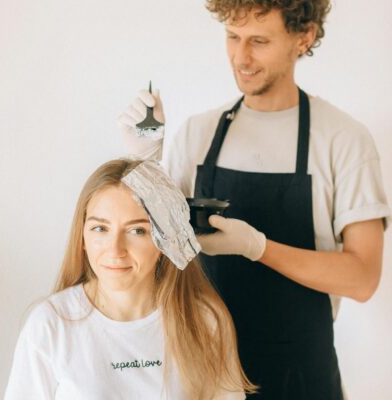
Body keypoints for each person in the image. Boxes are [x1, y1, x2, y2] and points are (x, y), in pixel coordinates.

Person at [119, 1, 391, 399]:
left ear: (304, 37)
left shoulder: (343, 140)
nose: (240, 57)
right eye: (233, 37)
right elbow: (154, 253)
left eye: (259, 41)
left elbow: (363, 278)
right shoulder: (198, 134)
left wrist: (257, 248)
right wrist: (144, 162)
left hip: (300, 378)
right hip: (205, 374)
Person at [4, 159, 257, 400]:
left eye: (137, 231)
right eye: (100, 228)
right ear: (82, 237)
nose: (115, 249)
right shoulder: (50, 324)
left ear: (164, 240)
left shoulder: (204, 319)